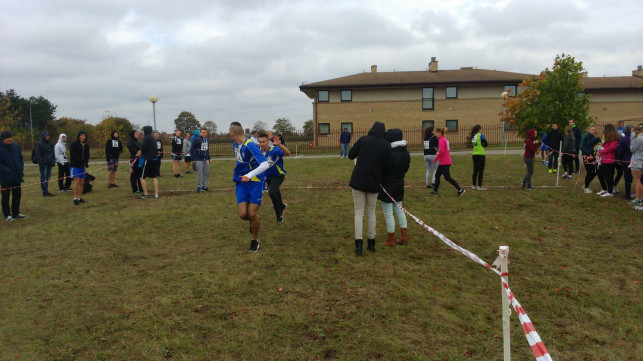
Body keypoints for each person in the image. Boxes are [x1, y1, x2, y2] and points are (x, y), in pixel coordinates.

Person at [348, 121, 392, 255]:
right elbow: (387, 166)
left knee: (359, 212)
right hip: (374, 181)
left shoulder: (363, 140)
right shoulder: (386, 145)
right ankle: (371, 243)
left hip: (358, 180)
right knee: (371, 212)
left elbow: (350, 155)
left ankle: (359, 244)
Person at [230, 122, 269, 252]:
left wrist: (250, 175)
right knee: (243, 214)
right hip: (241, 182)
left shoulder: (251, 146)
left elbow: (265, 164)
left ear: (231, 134)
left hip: (255, 181)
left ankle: (255, 240)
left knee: (252, 213)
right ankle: (254, 221)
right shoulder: (235, 144)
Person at [378, 128, 410, 246]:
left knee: (388, 212)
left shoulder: (389, 154)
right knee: (399, 209)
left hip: (387, 185)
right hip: (399, 183)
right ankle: (404, 236)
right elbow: (406, 168)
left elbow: (383, 169)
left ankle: (391, 239)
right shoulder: (405, 152)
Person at [258, 132, 290, 223]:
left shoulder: (274, 150)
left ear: (268, 142)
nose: (261, 144)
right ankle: (282, 206)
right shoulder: (258, 152)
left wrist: (280, 145)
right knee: (275, 191)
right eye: (260, 142)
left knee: (272, 192)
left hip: (278, 175)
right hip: (268, 177)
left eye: (263, 141)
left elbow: (288, 153)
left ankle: (279, 212)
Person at [429, 127, 465, 197]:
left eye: (436, 133)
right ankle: (435, 191)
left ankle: (460, 189)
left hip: (445, 162)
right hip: (443, 162)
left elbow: (442, 151)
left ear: (439, 133)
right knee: (437, 175)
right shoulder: (442, 139)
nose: (435, 135)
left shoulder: (442, 140)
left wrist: (435, 158)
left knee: (447, 177)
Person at [0, 131, 27, 221]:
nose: (9, 139)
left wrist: (20, 168)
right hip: (5, 177)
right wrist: (7, 170)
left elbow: (20, 157)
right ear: (3, 139)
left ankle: (16, 212)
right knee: (5, 196)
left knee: (17, 195)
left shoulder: (15, 146)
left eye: (10, 137)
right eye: (7, 138)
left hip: (16, 176)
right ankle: (7, 214)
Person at [596, 124, 619, 197]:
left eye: (604, 129)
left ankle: (610, 191)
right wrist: (600, 147)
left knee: (609, 176)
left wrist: (601, 152)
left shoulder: (614, 139)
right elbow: (605, 147)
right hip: (603, 159)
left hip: (609, 160)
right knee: (600, 174)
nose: (603, 130)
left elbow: (612, 148)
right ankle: (605, 189)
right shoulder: (606, 138)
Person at [69, 131, 90, 205]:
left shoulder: (86, 145)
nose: (83, 137)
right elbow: (73, 155)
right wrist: (81, 161)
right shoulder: (74, 145)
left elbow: (87, 155)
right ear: (79, 136)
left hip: (82, 166)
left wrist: (86, 162)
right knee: (76, 181)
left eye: (84, 136)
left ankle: (79, 197)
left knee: (82, 181)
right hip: (75, 165)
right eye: (82, 136)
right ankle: (75, 198)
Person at [139, 126, 159, 199]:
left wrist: (140, 153)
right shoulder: (152, 138)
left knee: (142, 177)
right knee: (154, 177)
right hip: (154, 159)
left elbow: (143, 148)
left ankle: (145, 194)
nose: (142, 132)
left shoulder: (146, 137)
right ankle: (156, 194)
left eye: (143, 130)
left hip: (148, 159)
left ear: (146, 131)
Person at [34, 130, 56, 197]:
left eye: (49, 135)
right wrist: (41, 162)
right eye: (47, 135)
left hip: (49, 163)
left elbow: (52, 153)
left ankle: (46, 191)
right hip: (43, 164)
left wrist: (53, 161)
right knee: (43, 178)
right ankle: (44, 192)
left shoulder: (50, 144)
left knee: (48, 177)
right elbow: (37, 154)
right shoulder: (39, 144)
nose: (48, 137)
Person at [580, 126, 601, 193]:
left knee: (595, 171)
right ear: (588, 130)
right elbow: (581, 146)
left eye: (594, 130)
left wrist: (597, 136)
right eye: (592, 130)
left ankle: (586, 183)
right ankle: (586, 187)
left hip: (592, 155)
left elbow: (597, 142)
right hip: (587, 156)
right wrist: (588, 154)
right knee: (589, 171)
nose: (593, 131)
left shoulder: (593, 136)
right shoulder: (585, 137)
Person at [616, 125, 634, 200]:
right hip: (636, 160)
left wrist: (619, 159)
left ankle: (627, 194)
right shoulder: (636, 138)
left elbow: (620, 150)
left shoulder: (624, 139)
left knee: (627, 177)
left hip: (626, 159)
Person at [191, 127, 211, 193]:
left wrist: (209, 158)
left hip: (206, 159)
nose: (204, 134)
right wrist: (193, 159)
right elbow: (192, 148)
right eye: (203, 132)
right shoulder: (197, 139)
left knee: (206, 173)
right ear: (200, 133)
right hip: (199, 159)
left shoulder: (207, 140)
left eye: (205, 133)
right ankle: (199, 186)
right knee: (199, 173)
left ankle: (204, 186)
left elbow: (207, 150)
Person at [628, 124, 643, 209]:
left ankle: (638, 198)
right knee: (640, 181)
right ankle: (640, 198)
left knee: (637, 181)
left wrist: (632, 136)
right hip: (640, 160)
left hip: (637, 160)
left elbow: (632, 148)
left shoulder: (640, 138)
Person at [470, 124, 488, 190]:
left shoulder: (473, 136)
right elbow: (486, 144)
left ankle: (474, 185)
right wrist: (483, 144)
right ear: (479, 129)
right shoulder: (480, 135)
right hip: (481, 154)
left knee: (475, 170)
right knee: (481, 170)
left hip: (474, 154)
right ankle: (480, 186)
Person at [126, 129, 143, 194]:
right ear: (132, 135)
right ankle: (135, 189)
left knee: (140, 174)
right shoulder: (130, 142)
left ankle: (141, 188)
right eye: (136, 134)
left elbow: (142, 149)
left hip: (140, 159)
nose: (137, 135)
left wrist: (141, 152)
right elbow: (135, 153)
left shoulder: (138, 142)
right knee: (134, 175)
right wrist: (139, 152)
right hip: (134, 160)